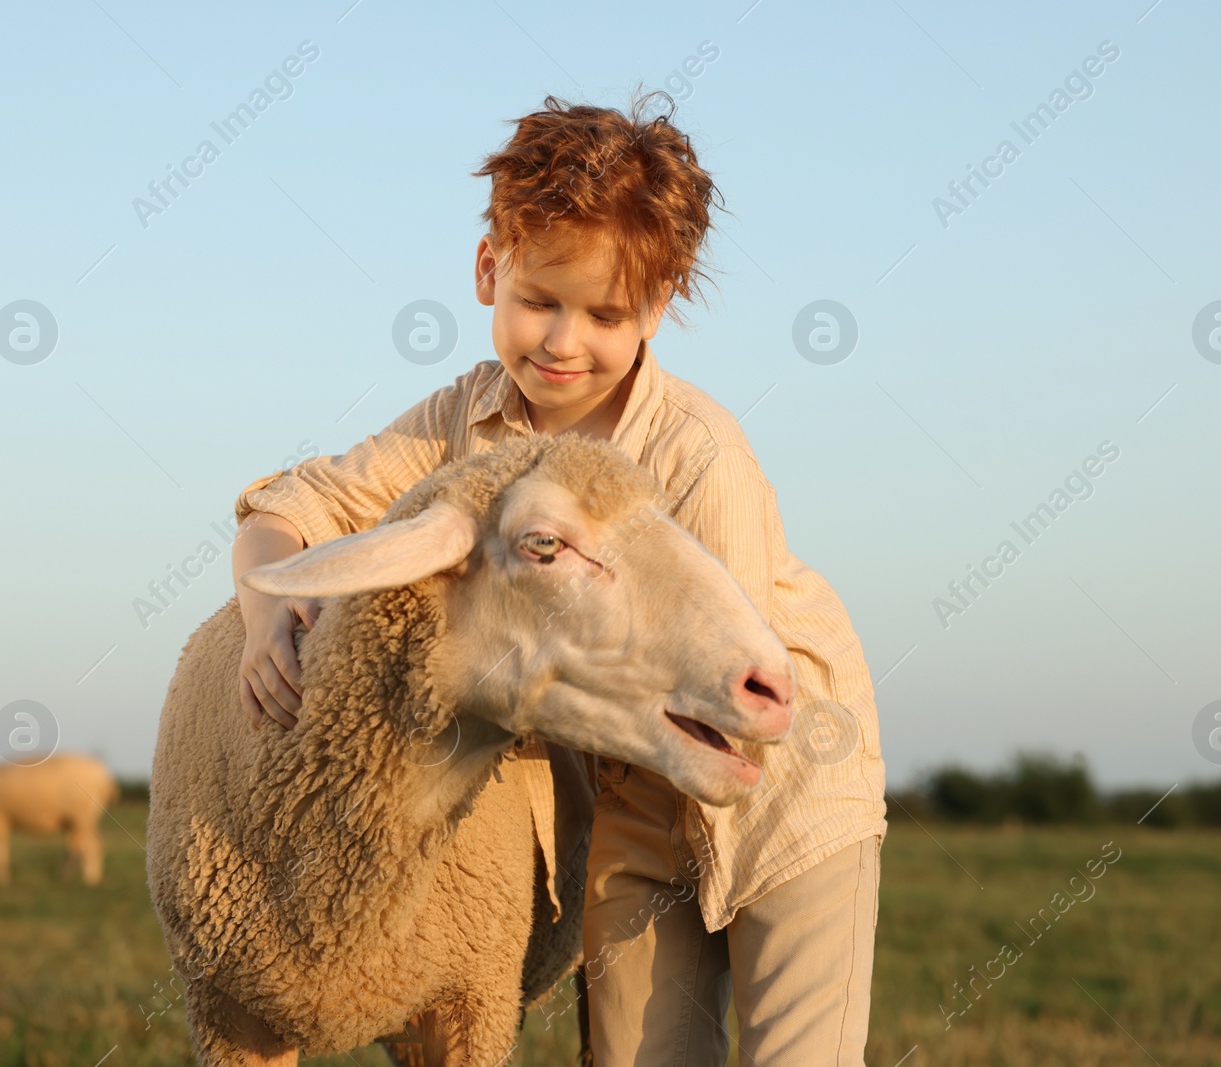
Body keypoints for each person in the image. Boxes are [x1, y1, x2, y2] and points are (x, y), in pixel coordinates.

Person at [231, 91, 887, 1067]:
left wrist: (489, 673)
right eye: (539, 301)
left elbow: (706, 658)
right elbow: (293, 503)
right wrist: (265, 610)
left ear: (655, 310)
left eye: (605, 314)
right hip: (629, 803)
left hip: (785, 794)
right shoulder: (463, 422)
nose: (561, 343)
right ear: (489, 270)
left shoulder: (697, 452)